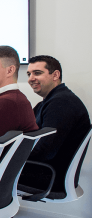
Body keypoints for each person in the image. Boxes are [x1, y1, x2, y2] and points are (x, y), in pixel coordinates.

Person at [21, 56, 91, 196]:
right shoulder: (51, 101)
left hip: (50, 176)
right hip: (48, 172)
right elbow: (25, 125)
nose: (31, 78)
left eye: (37, 73)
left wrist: (9, 155)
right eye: (29, 74)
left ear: (55, 75)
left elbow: (45, 151)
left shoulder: (61, 103)